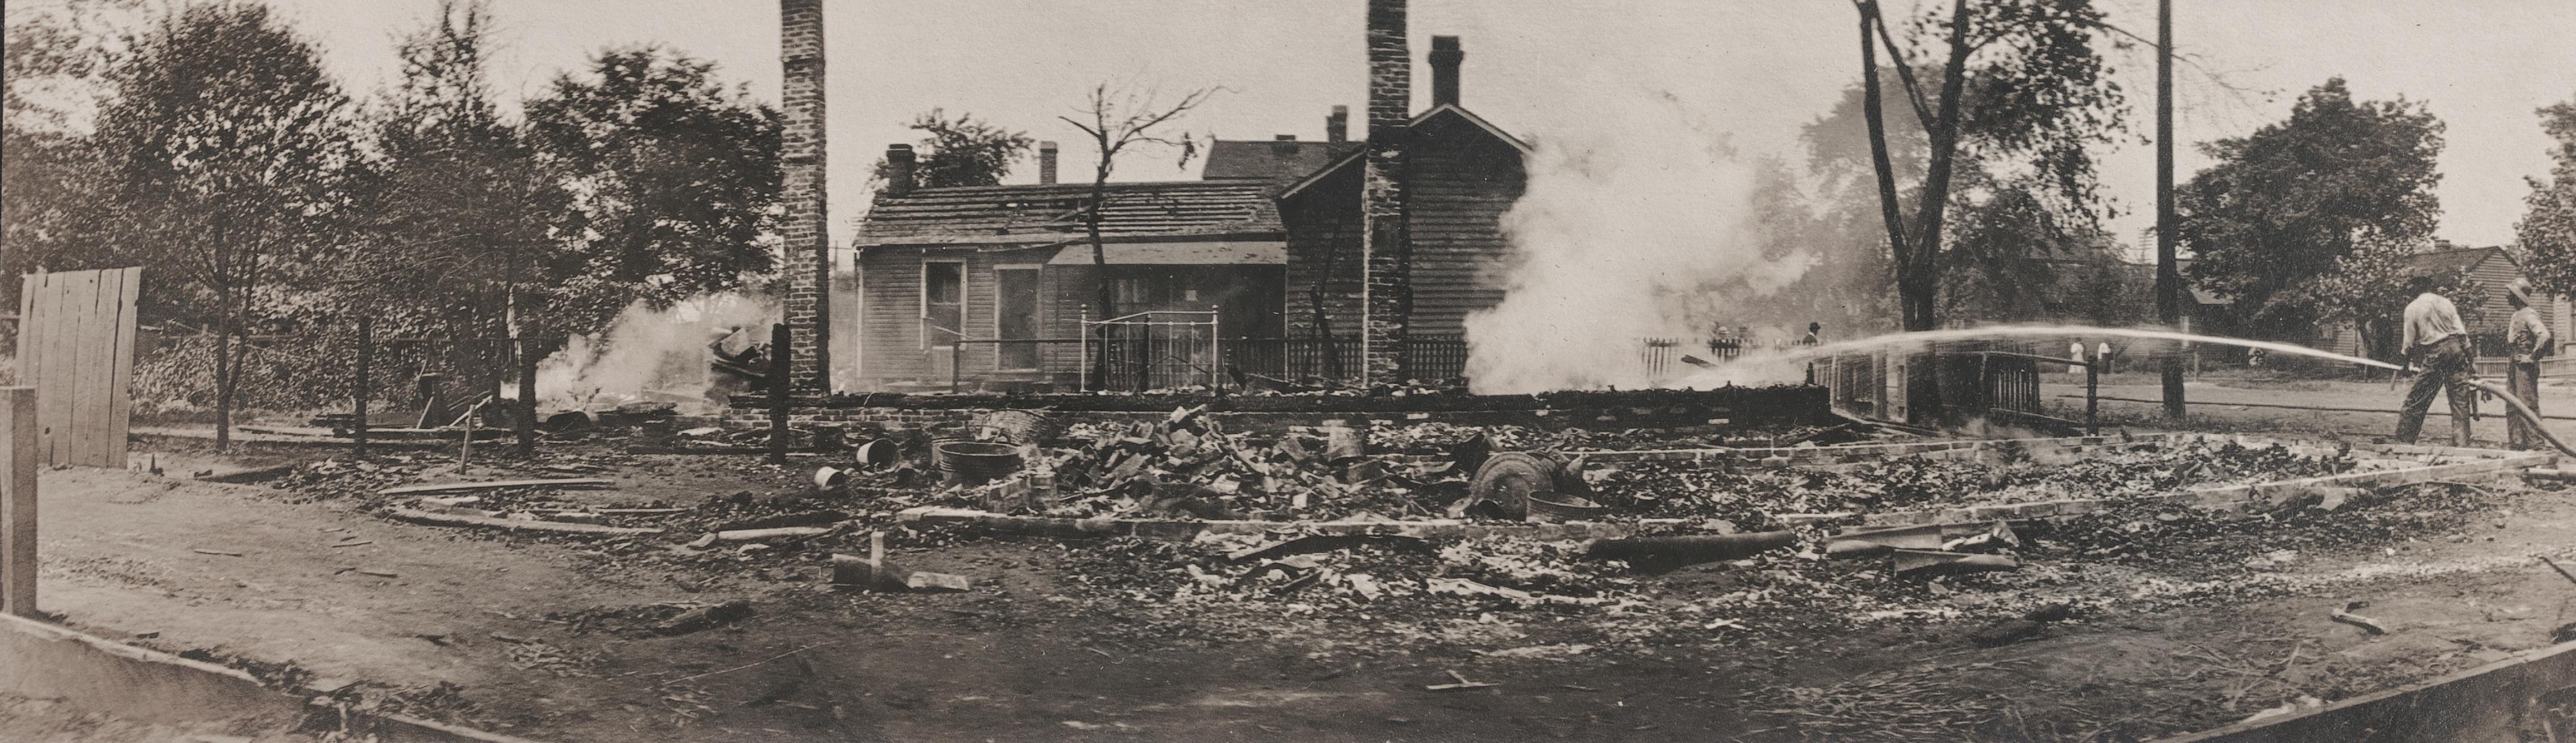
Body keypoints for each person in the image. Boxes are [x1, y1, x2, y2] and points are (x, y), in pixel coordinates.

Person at [2394, 289, 2476, 445]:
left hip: (2436, 353)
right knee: (2460, 403)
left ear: (2414, 287)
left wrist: (2405, 366)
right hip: (2457, 351)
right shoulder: (2445, 303)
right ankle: (2462, 445)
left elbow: (2409, 343)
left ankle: (2403, 442)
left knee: (2416, 400)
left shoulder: (2413, 307)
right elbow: (2462, 335)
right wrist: (2471, 363)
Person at [2504, 279, 2556, 450]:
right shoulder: (2516, 314)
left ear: (2518, 296)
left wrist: (2532, 357)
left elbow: (2544, 336)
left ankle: (2536, 445)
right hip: (2514, 362)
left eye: (2510, 294)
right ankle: (2517, 444)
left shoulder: (2529, 314)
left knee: (2527, 404)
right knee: (2512, 403)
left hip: (2524, 365)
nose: (2507, 297)